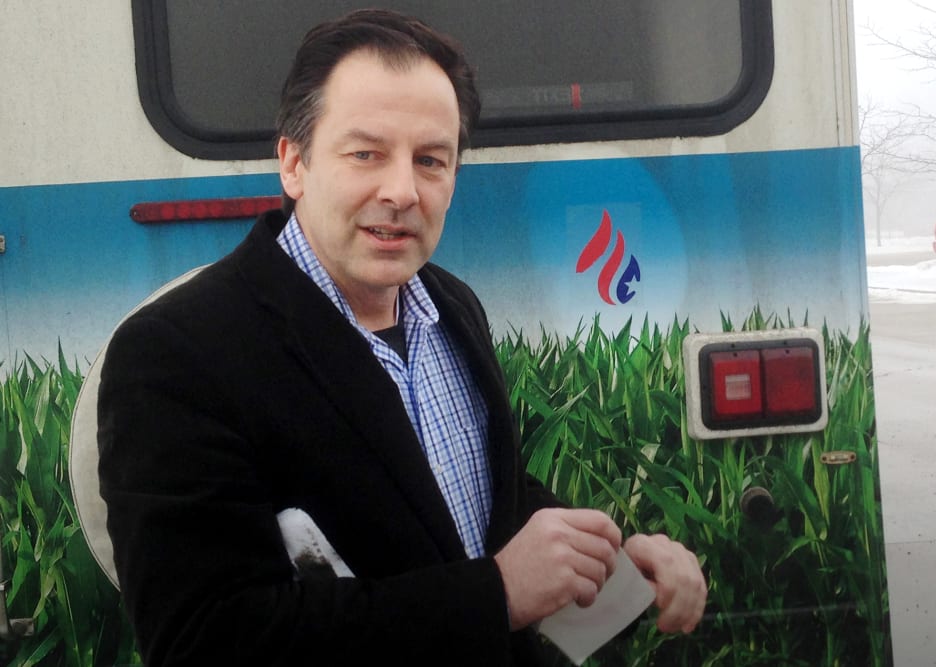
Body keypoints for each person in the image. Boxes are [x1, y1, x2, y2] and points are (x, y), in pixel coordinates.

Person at [97, 9, 706, 666]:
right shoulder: (177, 353)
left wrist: (614, 573)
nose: (402, 191)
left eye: (431, 160)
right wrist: (495, 593)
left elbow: (473, 505)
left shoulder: (451, 307)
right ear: (293, 162)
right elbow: (205, 637)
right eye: (366, 154)